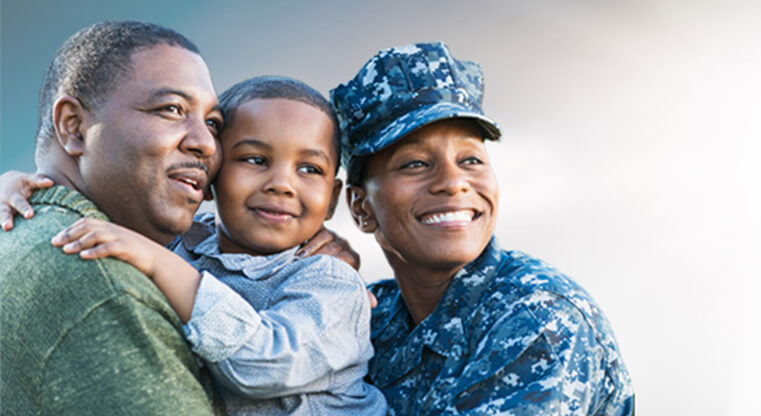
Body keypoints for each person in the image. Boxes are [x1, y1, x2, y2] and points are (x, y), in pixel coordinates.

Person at [0, 22, 351, 415]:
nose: (204, 144)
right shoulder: (107, 283)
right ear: (74, 126)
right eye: (171, 109)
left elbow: (269, 360)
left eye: (212, 124)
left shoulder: (324, 280)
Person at [330, 42, 634, 415]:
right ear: (361, 208)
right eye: (414, 164)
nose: (453, 182)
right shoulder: (368, 318)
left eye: (471, 159)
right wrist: (298, 268)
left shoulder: (538, 319)